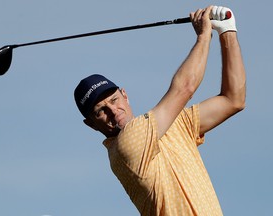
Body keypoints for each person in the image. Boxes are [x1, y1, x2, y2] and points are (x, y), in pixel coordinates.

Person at [74, 5, 246, 216]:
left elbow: (233, 99)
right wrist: (203, 37)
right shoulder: (126, 146)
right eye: (101, 110)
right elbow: (185, 88)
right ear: (91, 124)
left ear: (125, 95)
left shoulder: (173, 125)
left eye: (114, 99)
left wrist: (227, 31)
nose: (113, 110)